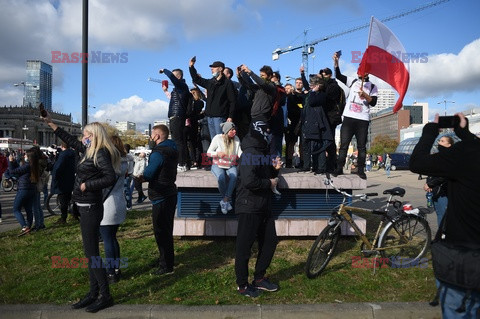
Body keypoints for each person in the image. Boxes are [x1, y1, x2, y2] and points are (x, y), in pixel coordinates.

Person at [42, 112, 120, 313]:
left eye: (85, 134)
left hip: (91, 206)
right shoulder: (88, 149)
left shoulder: (100, 152)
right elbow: (68, 139)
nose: (82, 137)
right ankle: (93, 293)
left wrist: (87, 185)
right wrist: (50, 122)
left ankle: (105, 295)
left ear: (94, 135)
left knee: (92, 253)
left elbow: (110, 177)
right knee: (89, 253)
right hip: (84, 206)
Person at [409, 113, 480, 318]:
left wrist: (430, 130)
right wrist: (466, 135)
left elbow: (417, 162)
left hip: (463, 259)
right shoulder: (470, 149)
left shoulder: (467, 152)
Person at [234, 126, 282, 298]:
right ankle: (242, 285)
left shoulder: (260, 154)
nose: (271, 139)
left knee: (270, 241)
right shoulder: (250, 154)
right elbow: (249, 181)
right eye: (268, 136)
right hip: (248, 206)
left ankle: (259, 278)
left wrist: (275, 169)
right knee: (244, 248)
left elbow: (265, 175)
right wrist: (269, 183)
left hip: (263, 206)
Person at [332, 52, 378, 179]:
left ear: (367, 72)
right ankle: (339, 168)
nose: (360, 72)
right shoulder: (352, 81)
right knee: (344, 145)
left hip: (362, 120)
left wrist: (365, 95)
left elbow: (373, 102)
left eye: (363, 70)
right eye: (359, 69)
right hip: (349, 118)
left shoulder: (373, 86)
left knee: (362, 146)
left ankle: (361, 170)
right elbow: (339, 76)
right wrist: (336, 62)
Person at [143, 124, 178, 275]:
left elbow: (149, 173)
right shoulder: (173, 149)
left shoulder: (158, 153)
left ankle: (166, 265)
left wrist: (140, 177)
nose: (151, 138)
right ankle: (166, 260)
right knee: (167, 230)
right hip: (170, 192)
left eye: (152, 135)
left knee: (161, 232)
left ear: (157, 136)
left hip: (160, 195)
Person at [100, 136, 128, 284]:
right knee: (112, 237)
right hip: (119, 200)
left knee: (108, 239)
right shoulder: (124, 162)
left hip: (108, 203)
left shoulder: (111, 163)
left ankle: (111, 272)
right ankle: (116, 268)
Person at [189, 58, 236, 139]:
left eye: (214, 67)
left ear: (220, 69)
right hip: (209, 116)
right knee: (214, 141)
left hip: (220, 117)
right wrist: (191, 67)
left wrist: (230, 116)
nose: (212, 69)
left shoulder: (227, 83)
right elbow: (197, 79)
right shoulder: (210, 82)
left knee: (221, 140)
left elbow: (232, 101)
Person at [298, 76, 333, 174]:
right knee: (305, 146)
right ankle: (306, 165)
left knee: (318, 147)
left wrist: (313, 91)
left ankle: (320, 167)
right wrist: (302, 73)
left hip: (316, 125)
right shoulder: (309, 94)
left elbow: (313, 102)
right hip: (306, 123)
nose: (310, 86)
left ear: (317, 85)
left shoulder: (321, 95)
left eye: (312, 85)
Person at [206, 122, 242, 214]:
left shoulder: (236, 139)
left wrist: (247, 157)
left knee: (234, 176)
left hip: (230, 164)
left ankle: (225, 200)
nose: (234, 131)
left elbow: (240, 153)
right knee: (221, 178)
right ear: (226, 131)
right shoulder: (217, 138)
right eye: (232, 130)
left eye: (234, 129)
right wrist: (217, 154)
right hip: (217, 164)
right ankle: (226, 201)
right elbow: (209, 152)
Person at [159, 68, 190, 172]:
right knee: (178, 140)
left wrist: (164, 70)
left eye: (173, 76)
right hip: (176, 116)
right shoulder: (179, 89)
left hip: (177, 116)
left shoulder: (181, 86)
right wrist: (165, 91)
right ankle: (183, 163)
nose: (171, 78)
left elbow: (172, 78)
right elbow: (173, 99)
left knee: (178, 141)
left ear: (179, 77)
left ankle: (181, 164)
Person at [7, 147, 40, 236]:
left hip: (23, 189)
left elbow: (13, 172)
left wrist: (10, 162)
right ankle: (28, 226)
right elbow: (19, 170)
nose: (24, 155)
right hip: (31, 189)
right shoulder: (34, 165)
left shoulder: (27, 165)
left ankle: (24, 226)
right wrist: (14, 162)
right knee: (28, 210)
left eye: (25, 154)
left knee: (16, 209)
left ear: (29, 157)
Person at [423, 135, 454, 225]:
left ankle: (444, 236)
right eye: (439, 140)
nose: (439, 142)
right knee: (440, 214)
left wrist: (430, 184)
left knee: (444, 216)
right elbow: (432, 173)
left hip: (444, 192)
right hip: (435, 191)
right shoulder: (439, 156)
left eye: (442, 141)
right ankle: (441, 236)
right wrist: (428, 184)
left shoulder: (450, 157)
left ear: (449, 145)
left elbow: (444, 175)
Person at [51, 142, 76, 224]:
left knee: (63, 201)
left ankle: (63, 218)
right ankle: (74, 215)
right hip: (70, 178)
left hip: (62, 180)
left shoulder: (63, 155)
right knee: (69, 198)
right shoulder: (72, 154)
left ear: (62, 146)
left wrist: (55, 178)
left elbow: (58, 168)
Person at [285, 79, 305, 168]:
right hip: (293, 122)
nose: (298, 84)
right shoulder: (291, 96)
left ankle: (302, 162)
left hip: (304, 122)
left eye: (300, 83)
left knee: (303, 144)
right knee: (291, 143)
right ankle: (289, 162)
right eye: (297, 83)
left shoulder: (305, 95)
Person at [123, 144, 134, 209]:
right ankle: (128, 205)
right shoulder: (131, 156)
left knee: (126, 191)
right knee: (128, 190)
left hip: (126, 176)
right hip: (130, 174)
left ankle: (129, 206)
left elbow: (126, 168)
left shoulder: (127, 157)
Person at [0, 150, 9, 223]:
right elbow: (6, 166)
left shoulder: (2, 158)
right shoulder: (3, 157)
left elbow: (6, 166)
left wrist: (1, 171)